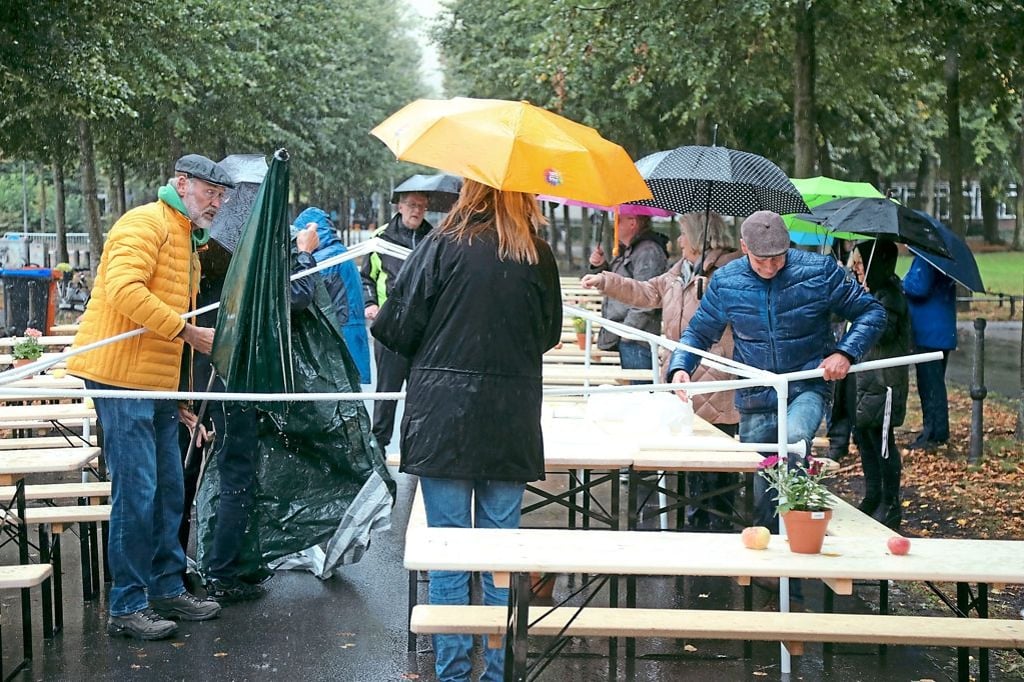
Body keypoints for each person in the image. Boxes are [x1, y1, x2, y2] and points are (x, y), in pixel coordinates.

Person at [372, 180, 562, 682]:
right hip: (511, 415)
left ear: (470, 190)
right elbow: (548, 334)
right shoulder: (536, 253)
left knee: (450, 551)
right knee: (501, 550)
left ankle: (454, 673)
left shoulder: (440, 243)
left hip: (442, 418)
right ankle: (499, 672)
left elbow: (396, 326)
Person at [67, 154, 231, 640]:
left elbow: (163, 326)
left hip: (152, 386)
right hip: (119, 381)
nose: (217, 204)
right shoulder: (144, 223)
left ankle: (164, 588)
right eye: (209, 193)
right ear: (181, 184)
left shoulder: (186, 238)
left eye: (221, 197)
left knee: (167, 489)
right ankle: (127, 605)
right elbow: (123, 290)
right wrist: (187, 331)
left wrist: (177, 396)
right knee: (137, 492)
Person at [668, 211, 886, 532]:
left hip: (807, 383)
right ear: (744, 247)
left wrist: (845, 351)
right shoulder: (727, 282)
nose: (770, 267)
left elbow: (871, 312)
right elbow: (699, 332)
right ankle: (770, 549)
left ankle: (796, 538)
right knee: (764, 477)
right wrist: (681, 367)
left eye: (778, 259)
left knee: (793, 441)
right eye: (761, 261)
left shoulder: (820, 272)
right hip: (756, 393)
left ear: (788, 246)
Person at [179, 225, 321, 603]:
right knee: (235, 471)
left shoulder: (202, 244)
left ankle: (188, 569)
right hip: (227, 375)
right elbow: (293, 297)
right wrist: (304, 254)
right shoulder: (239, 249)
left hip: (200, 371)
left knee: (192, 473)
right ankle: (223, 572)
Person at [582, 211, 741, 529]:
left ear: (697, 237)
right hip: (681, 374)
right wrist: (606, 280)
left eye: (683, 234)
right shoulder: (678, 271)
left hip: (716, 376)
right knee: (690, 458)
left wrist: (707, 287)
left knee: (717, 460)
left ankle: (718, 529)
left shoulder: (729, 271)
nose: (679, 240)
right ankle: (695, 524)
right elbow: (646, 291)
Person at [361, 191, 434, 449]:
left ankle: (415, 446)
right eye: (412, 205)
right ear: (400, 207)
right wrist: (371, 304)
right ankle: (378, 445)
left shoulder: (433, 239)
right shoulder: (382, 237)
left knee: (421, 391)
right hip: (390, 327)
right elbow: (366, 277)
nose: (417, 211)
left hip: (422, 330)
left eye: (422, 207)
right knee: (387, 391)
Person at [850, 241, 910, 530]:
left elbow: (881, 333)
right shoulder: (873, 293)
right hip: (867, 381)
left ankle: (891, 502)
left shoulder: (891, 297)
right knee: (866, 439)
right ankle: (873, 495)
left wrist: (864, 305)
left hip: (886, 382)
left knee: (883, 442)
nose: (856, 268)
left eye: (860, 263)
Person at [294, 206, 371, 384]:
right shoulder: (340, 253)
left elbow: (303, 293)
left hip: (338, 338)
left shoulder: (324, 259)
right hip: (351, 335)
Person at [587, 214, 668, 373]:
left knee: (639, 393)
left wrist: (627, 331)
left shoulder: (648, 251)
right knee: (631, 392)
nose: (614, 224)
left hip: (636, 340)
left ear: (632, 222)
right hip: (627, 336)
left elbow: (647, 298)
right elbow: (620, 285)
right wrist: (600, 266)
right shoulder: (632, 249)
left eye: (618, 219)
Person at [903, 254, 957, 449]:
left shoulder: (925, 258)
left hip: (928, 333)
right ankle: (935, 431)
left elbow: (918, 287)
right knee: (935, 383)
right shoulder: (941, 258)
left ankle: (934, 434)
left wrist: (903, 282)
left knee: (930, 385)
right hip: (941, 332)